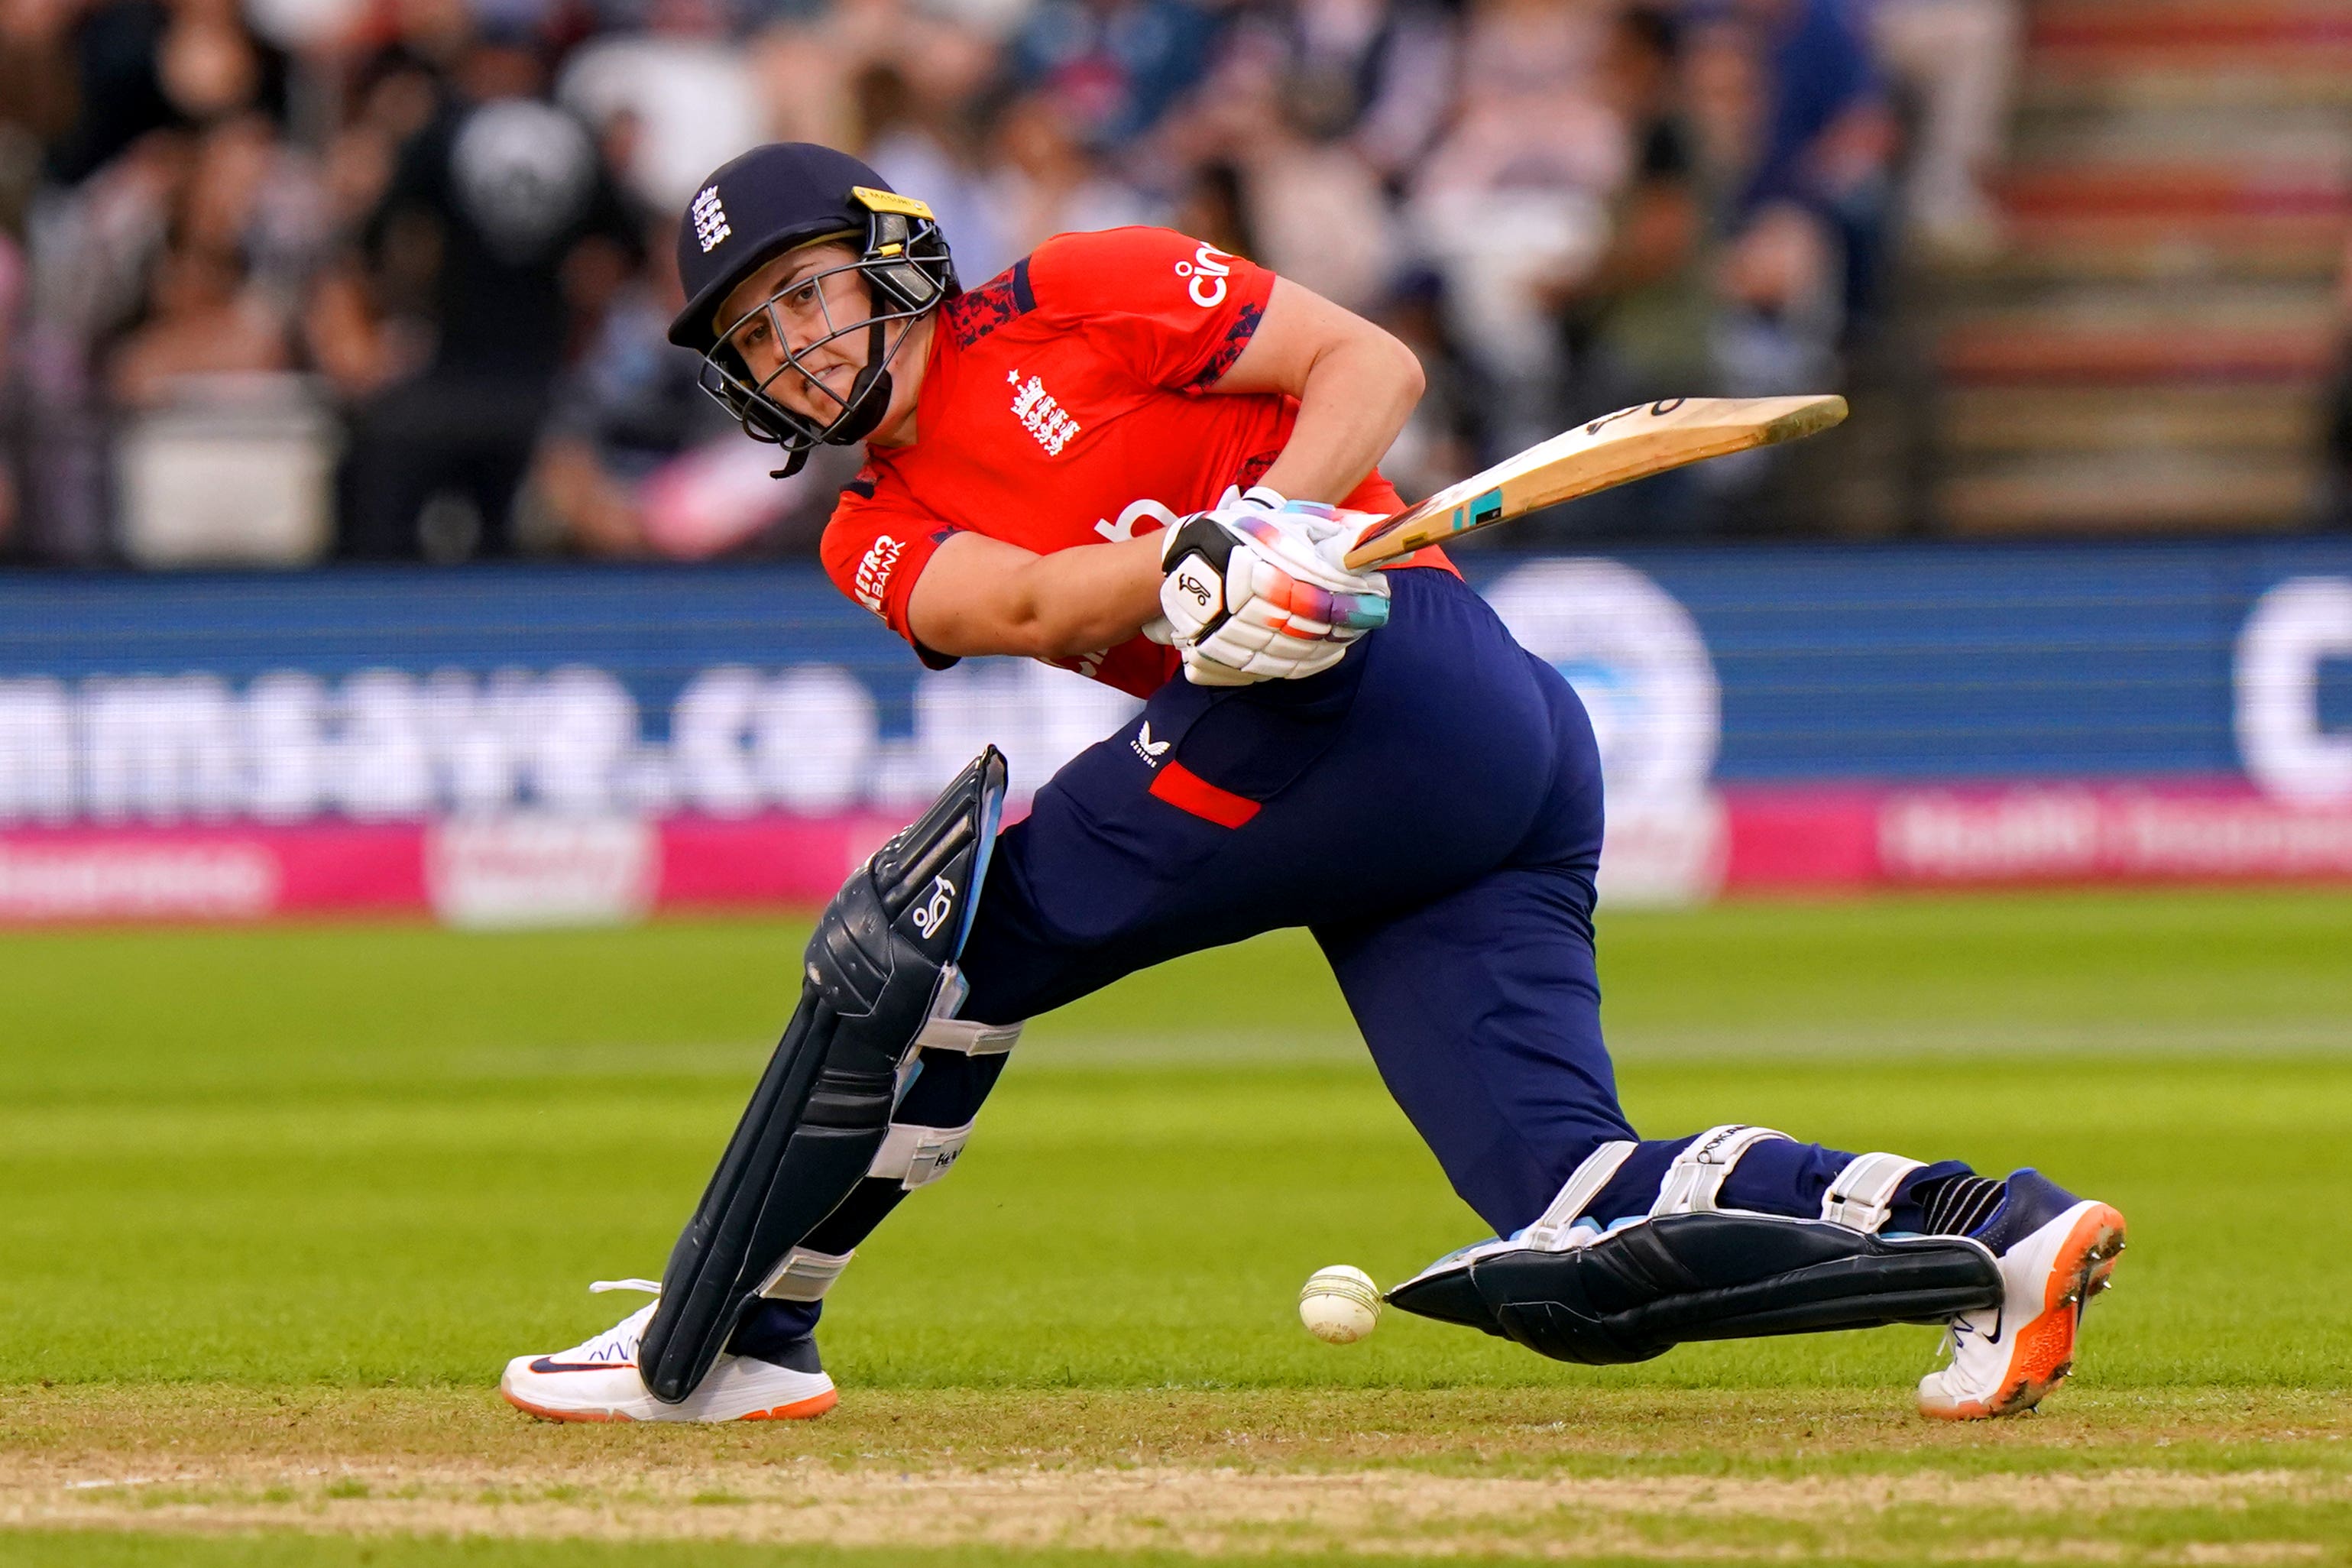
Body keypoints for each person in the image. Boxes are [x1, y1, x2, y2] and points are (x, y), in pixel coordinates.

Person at [499, 142, 2127, 1426]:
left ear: (890, 255)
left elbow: (1369, 366)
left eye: (805, 295)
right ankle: (1997, 1230)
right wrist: (1190, 579)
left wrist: (1275, 516)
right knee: (1571, 1203)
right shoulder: (867, 524)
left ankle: (737, 1330)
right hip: (1389, 762)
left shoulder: (1083, 284)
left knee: (937, 945)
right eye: (757, 335)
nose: (793, 346)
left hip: (1390, 675)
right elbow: (1023, 605)